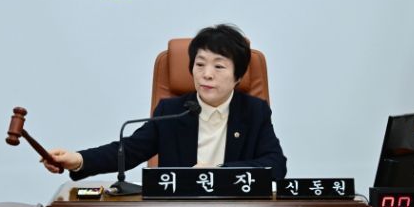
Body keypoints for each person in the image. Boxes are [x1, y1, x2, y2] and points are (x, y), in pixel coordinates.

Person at [42, 24, 287, 180]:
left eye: (219, 66)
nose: (207, 74)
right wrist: (78, 160)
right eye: (200, 64)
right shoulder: (172, 111)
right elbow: (128, 151)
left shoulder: (254, 111)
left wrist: (219, 173)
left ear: (238, 76)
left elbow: (276, 165)